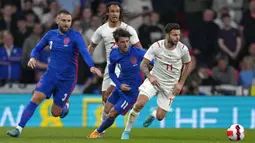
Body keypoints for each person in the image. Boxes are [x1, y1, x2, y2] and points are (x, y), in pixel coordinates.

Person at [7, 10, 102, 138]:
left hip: (67, 80)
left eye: (69, 21)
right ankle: (18, 129)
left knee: (55, 113)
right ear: (57, 20)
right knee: (35, 98)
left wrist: (91, 66)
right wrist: (33, 57)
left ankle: (64, 106)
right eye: (63, 20)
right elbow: (37, 48)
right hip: (50, 76)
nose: (66, 23)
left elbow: (84, 52)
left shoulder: (75, 36)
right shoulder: (50, 35)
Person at [121, 23, 192, 140]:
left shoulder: (183, 49)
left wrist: (181, 83)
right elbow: (143, 64)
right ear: (167, 35)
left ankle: (154, 114)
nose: (177, 38)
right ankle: (127, 131)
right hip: (154, 81)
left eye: (179, 35)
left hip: (171, 86)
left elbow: (188, 63)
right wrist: (149, 76)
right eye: (175, 35)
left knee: (160, 117)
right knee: (139, 104)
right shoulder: (156, 46)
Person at [87, 1, 142, 135]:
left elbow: (139, 49)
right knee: (105, 99)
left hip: (124, 68)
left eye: (117, 11)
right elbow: (91, 46)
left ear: (120, 13)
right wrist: (89, 64)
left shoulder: (128, 29)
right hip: (110, 66)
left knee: (108, 94)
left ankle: (100, 130)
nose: (115, 14)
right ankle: (102, 129)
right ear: (107, 13)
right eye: (112, 11)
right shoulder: (102, 30)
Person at [87, 28, 152, 139]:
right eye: (122, 42)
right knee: (106, 110)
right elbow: (111, 72)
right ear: (117, 43)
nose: (126, 44)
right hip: (120, 87)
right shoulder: (114, 54)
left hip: (131, 92)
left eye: (127, 41)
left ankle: (97, 132)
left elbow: (154, 62)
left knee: (112, 114)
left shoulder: (137, 52)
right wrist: (119, 85)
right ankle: (102, 131)